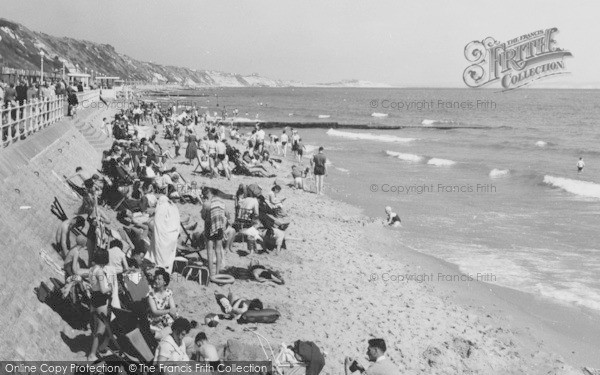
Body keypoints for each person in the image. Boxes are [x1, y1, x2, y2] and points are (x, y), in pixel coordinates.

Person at [88, 249, 116, 361]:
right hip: (101, 300)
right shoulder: (100, 271)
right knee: (101, 328)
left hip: (94, 298)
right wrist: (111, 286)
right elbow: (104, 290)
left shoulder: (92, 269)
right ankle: (92, 354)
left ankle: (94, 349)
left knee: (96, 326)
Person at [201, 187, 226, 277]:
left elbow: (204, 217)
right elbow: (225, 214)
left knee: (210, 251)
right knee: (218, 251)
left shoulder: (206, 203)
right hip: (219, 226)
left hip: (209, 226)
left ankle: (211, 273)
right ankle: (217, 273)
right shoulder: (221, 201)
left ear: (206, 195)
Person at [147, 268, 178, 335]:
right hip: (154, 319)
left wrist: (173, 313)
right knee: (169, 321)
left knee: (175, 319)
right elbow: (154, 311)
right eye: (156, 279)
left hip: (164, 317)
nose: (156, 281)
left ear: (165, 282)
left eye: (159, 279)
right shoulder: (151, 294)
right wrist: (168, 311)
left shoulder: (168, 293)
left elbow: (173, 308)